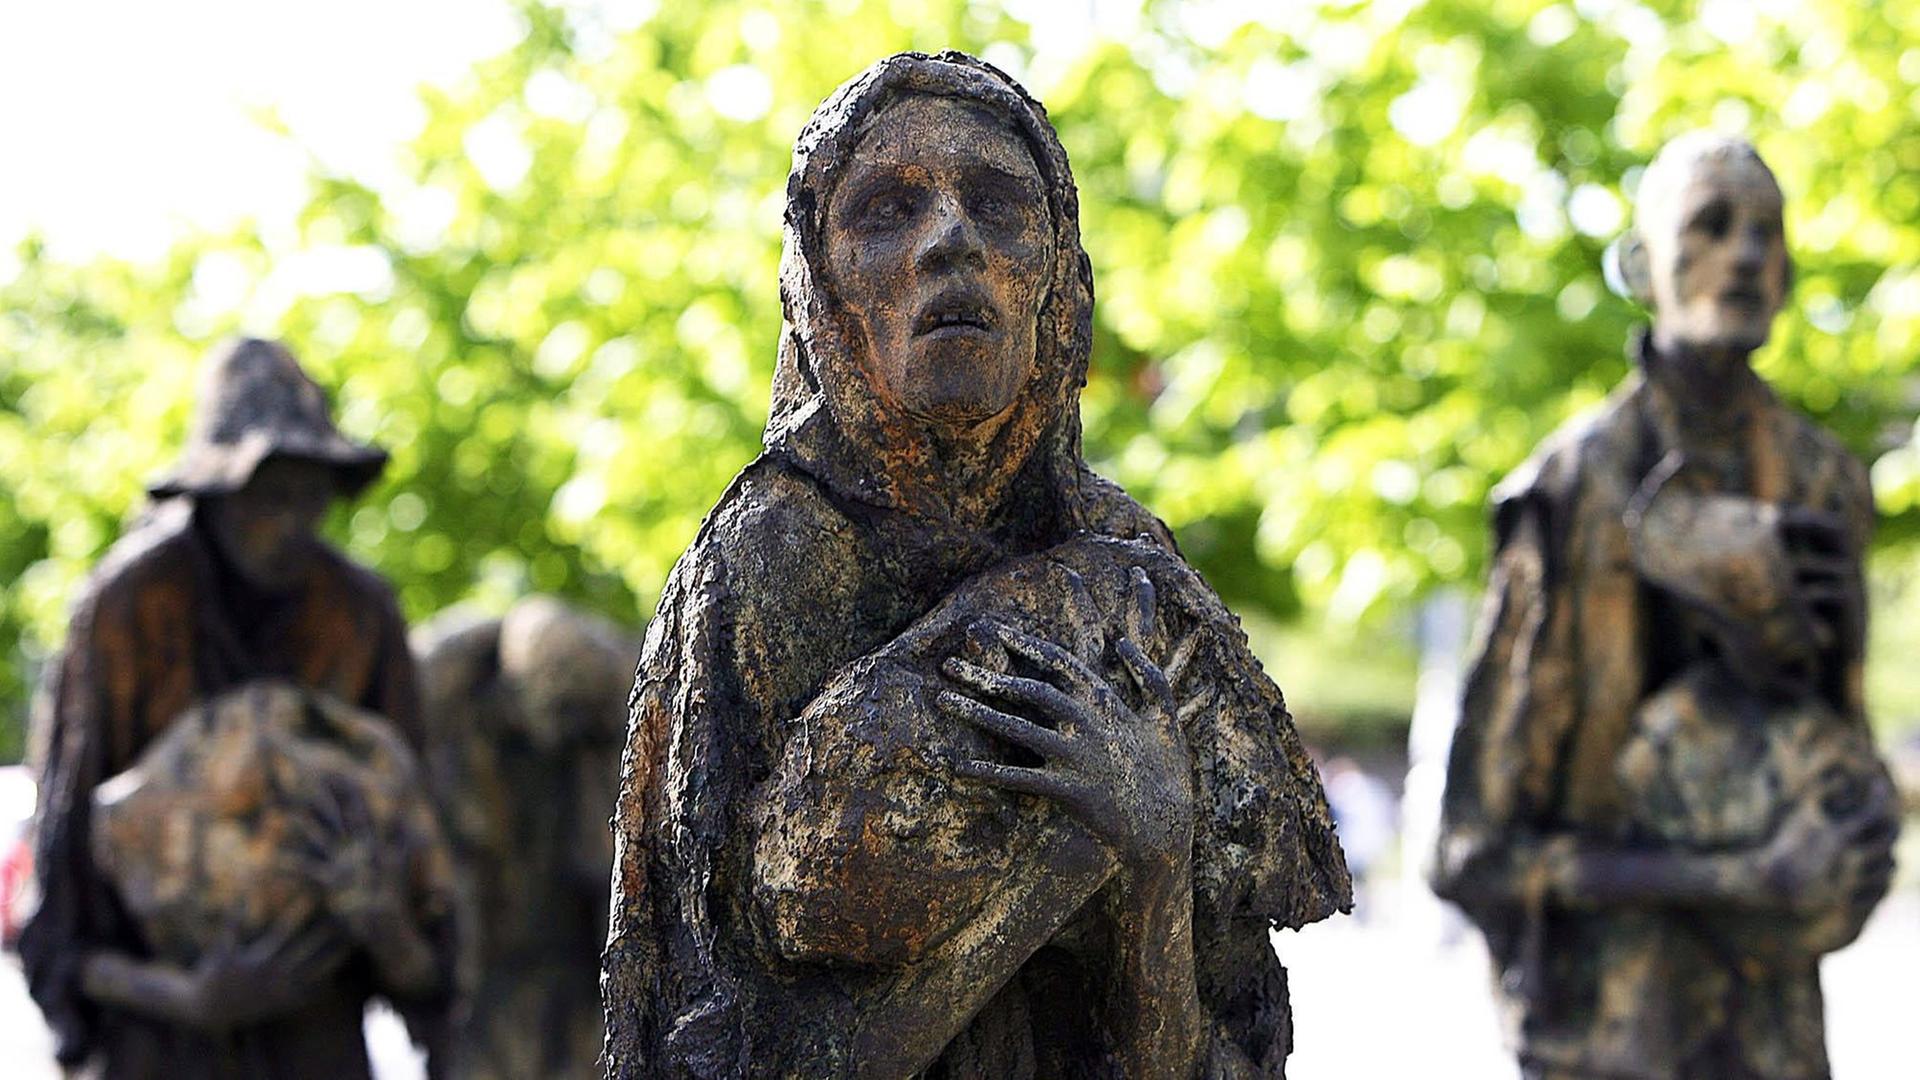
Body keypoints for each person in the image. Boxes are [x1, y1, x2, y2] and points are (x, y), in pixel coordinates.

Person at [602, 52, 1349, 1079]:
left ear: (1058, 276)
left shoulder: (1129, 572)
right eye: (886, 211)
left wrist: (1156, 856)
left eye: (998, 205)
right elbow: (719, 1044)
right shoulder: (763, 566)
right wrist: (1060, 864)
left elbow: (1214, 1048)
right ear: (821, 289)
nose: (951, 240)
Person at [1434, 134, 1899, 1080]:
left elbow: (1842, 748)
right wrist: (1739, 879)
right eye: (1711, 226)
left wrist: (1855, 843)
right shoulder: (1568, 489)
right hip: (1611, 1031)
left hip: (1776, 1034)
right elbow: (1471, 850)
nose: (1744, 256)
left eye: (1766, 235)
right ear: (1644, 267)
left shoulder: (1827, 483)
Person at [21, 338, 453, 1079]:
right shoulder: (129, 609)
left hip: (316, 1031)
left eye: (309, 495)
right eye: (267, 497)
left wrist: (385, 927)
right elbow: (61, 902)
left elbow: (425, 881)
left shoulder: (359, 613)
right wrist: (188, 996)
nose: (291, 523)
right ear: (217, 495)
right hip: (159, 1037)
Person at [413, 596, 632, 1079]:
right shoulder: (451, 714)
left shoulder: (599, 736)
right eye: (559, 706)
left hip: (576, 965)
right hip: (488, 967)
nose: (568, 730)